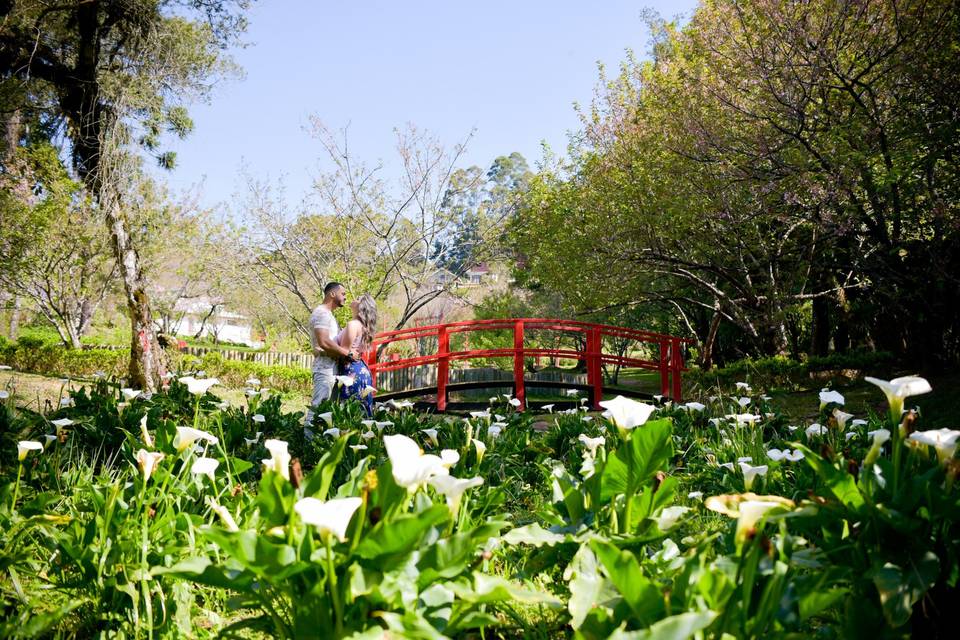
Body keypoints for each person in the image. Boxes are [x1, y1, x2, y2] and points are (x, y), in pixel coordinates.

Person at [306, 282, 356, 427]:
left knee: (327, 411)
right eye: (343, 293)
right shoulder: (322, 313)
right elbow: (324, 342)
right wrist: (348, 353)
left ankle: (319, 444)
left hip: (331, 369)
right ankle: (307, 446)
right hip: (324, 369)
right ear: (332, 294)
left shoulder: (327, 315)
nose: (345, 297)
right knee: (317, 408)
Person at [335, 293, 377, 415]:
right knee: (361, 412)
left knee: (351, 413)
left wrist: (324, 348)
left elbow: (344, 351)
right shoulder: (365, 327)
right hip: (361, 370)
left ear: (362, 307)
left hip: (351, 372)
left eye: (358, 299)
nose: (353, 299)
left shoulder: (353, 325)